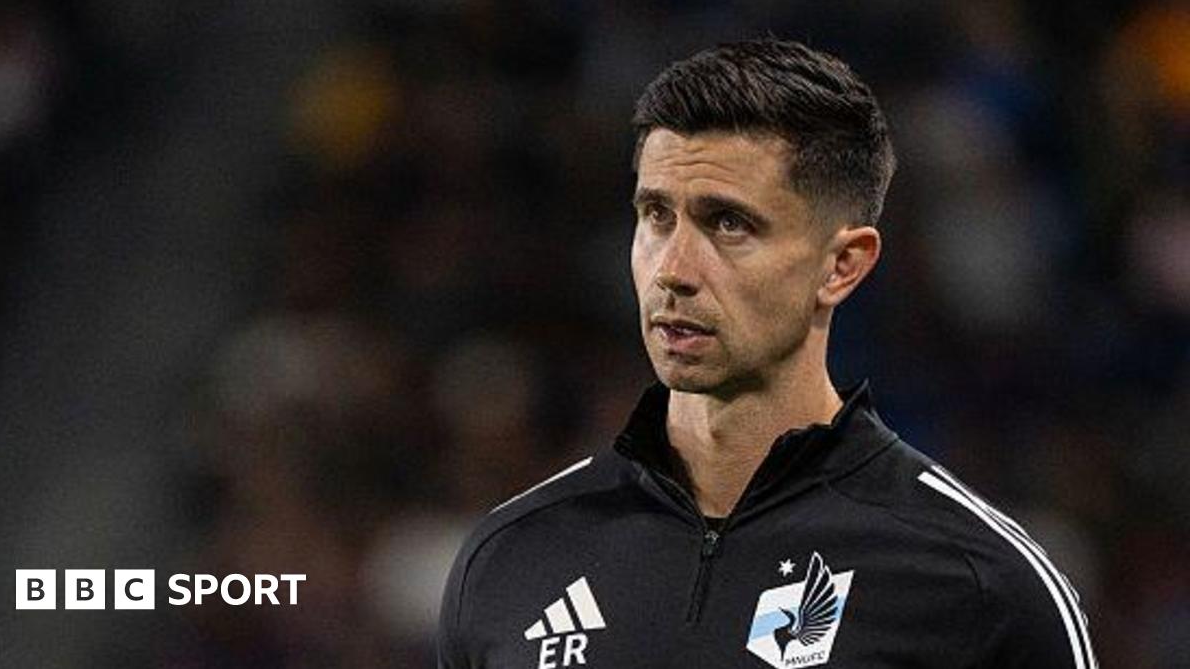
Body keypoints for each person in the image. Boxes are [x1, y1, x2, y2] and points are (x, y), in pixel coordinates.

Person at [437, 39, 1097, 669]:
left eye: (728, 223)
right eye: (656, 215)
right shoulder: (511, 558)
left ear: (842, 265)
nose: (674, 269)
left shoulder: (981, 587)